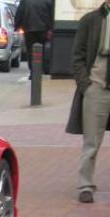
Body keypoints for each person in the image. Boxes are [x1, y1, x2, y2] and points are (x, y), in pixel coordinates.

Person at [66, 0, 110, 203]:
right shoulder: (90, 20)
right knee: (91, 141)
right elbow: (78, 56)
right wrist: (86, 85)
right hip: (97, 87)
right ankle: (85, 185)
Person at [14, 0, 54, 78]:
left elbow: (20, 12)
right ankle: (40, 69)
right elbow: (51, 14)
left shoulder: (25, 1)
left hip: (29, 28)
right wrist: (51, 29)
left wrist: (17, 26)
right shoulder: (48, 1)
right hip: (43, 29)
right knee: (42, 51)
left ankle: (33, 71)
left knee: (31, 51)